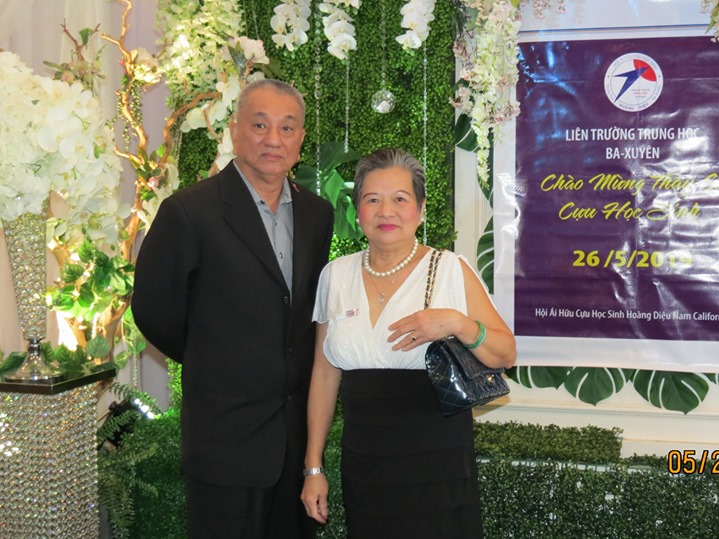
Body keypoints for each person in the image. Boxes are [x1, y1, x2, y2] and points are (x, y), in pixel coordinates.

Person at [131, 78, 334, 538]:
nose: (273, 139)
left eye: (287, 128)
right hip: (224, 437)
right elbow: (154, 310)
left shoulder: (317, 214)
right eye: (260, 125)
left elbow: (304, 312)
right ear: (235, 130)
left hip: (294, 439)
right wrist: (216, 357)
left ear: (300, 139)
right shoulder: (189, 212)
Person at [300, 147, 516, 537]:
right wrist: (313, 467)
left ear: (420, 209)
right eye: (372, 200)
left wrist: (457, 323)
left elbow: (506, 353)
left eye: (400, 199)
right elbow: (324, 374)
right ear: (357, 209)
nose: (386, 211)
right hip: (365, 462)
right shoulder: (335, 275)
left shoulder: (449, 268)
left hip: (438, 462)